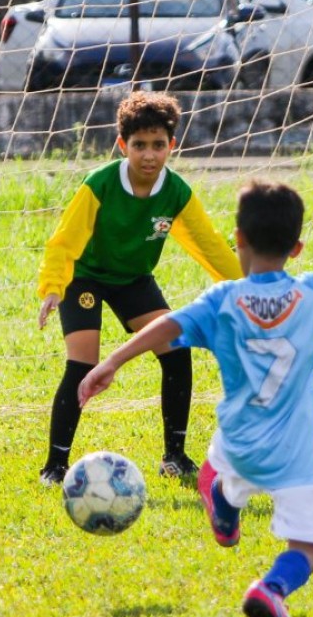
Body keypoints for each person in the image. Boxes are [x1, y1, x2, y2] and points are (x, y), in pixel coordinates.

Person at [78, 180, 313, 617]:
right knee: (308, 545)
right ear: (297, 248)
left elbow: (167, 326)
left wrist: (112, 362)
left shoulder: (222, 301)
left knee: (227, 471)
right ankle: (270, 590)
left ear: (238, 239)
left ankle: (223, 498)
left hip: (235, 445)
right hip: (296, 455)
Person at [35, 91, 241, 485]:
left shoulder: (176, 191)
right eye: (140, 145)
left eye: (158, 145)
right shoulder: (100, 184)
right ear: (122, 145)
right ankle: (55, 466)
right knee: (83, 363)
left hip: (133, 279)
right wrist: (53, 286)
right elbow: (64, 241)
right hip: (85, 277)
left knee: (176, 348)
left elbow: (209, 245)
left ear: (171, 145)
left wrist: (251, 287)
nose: (149, 155)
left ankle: (174, 456)